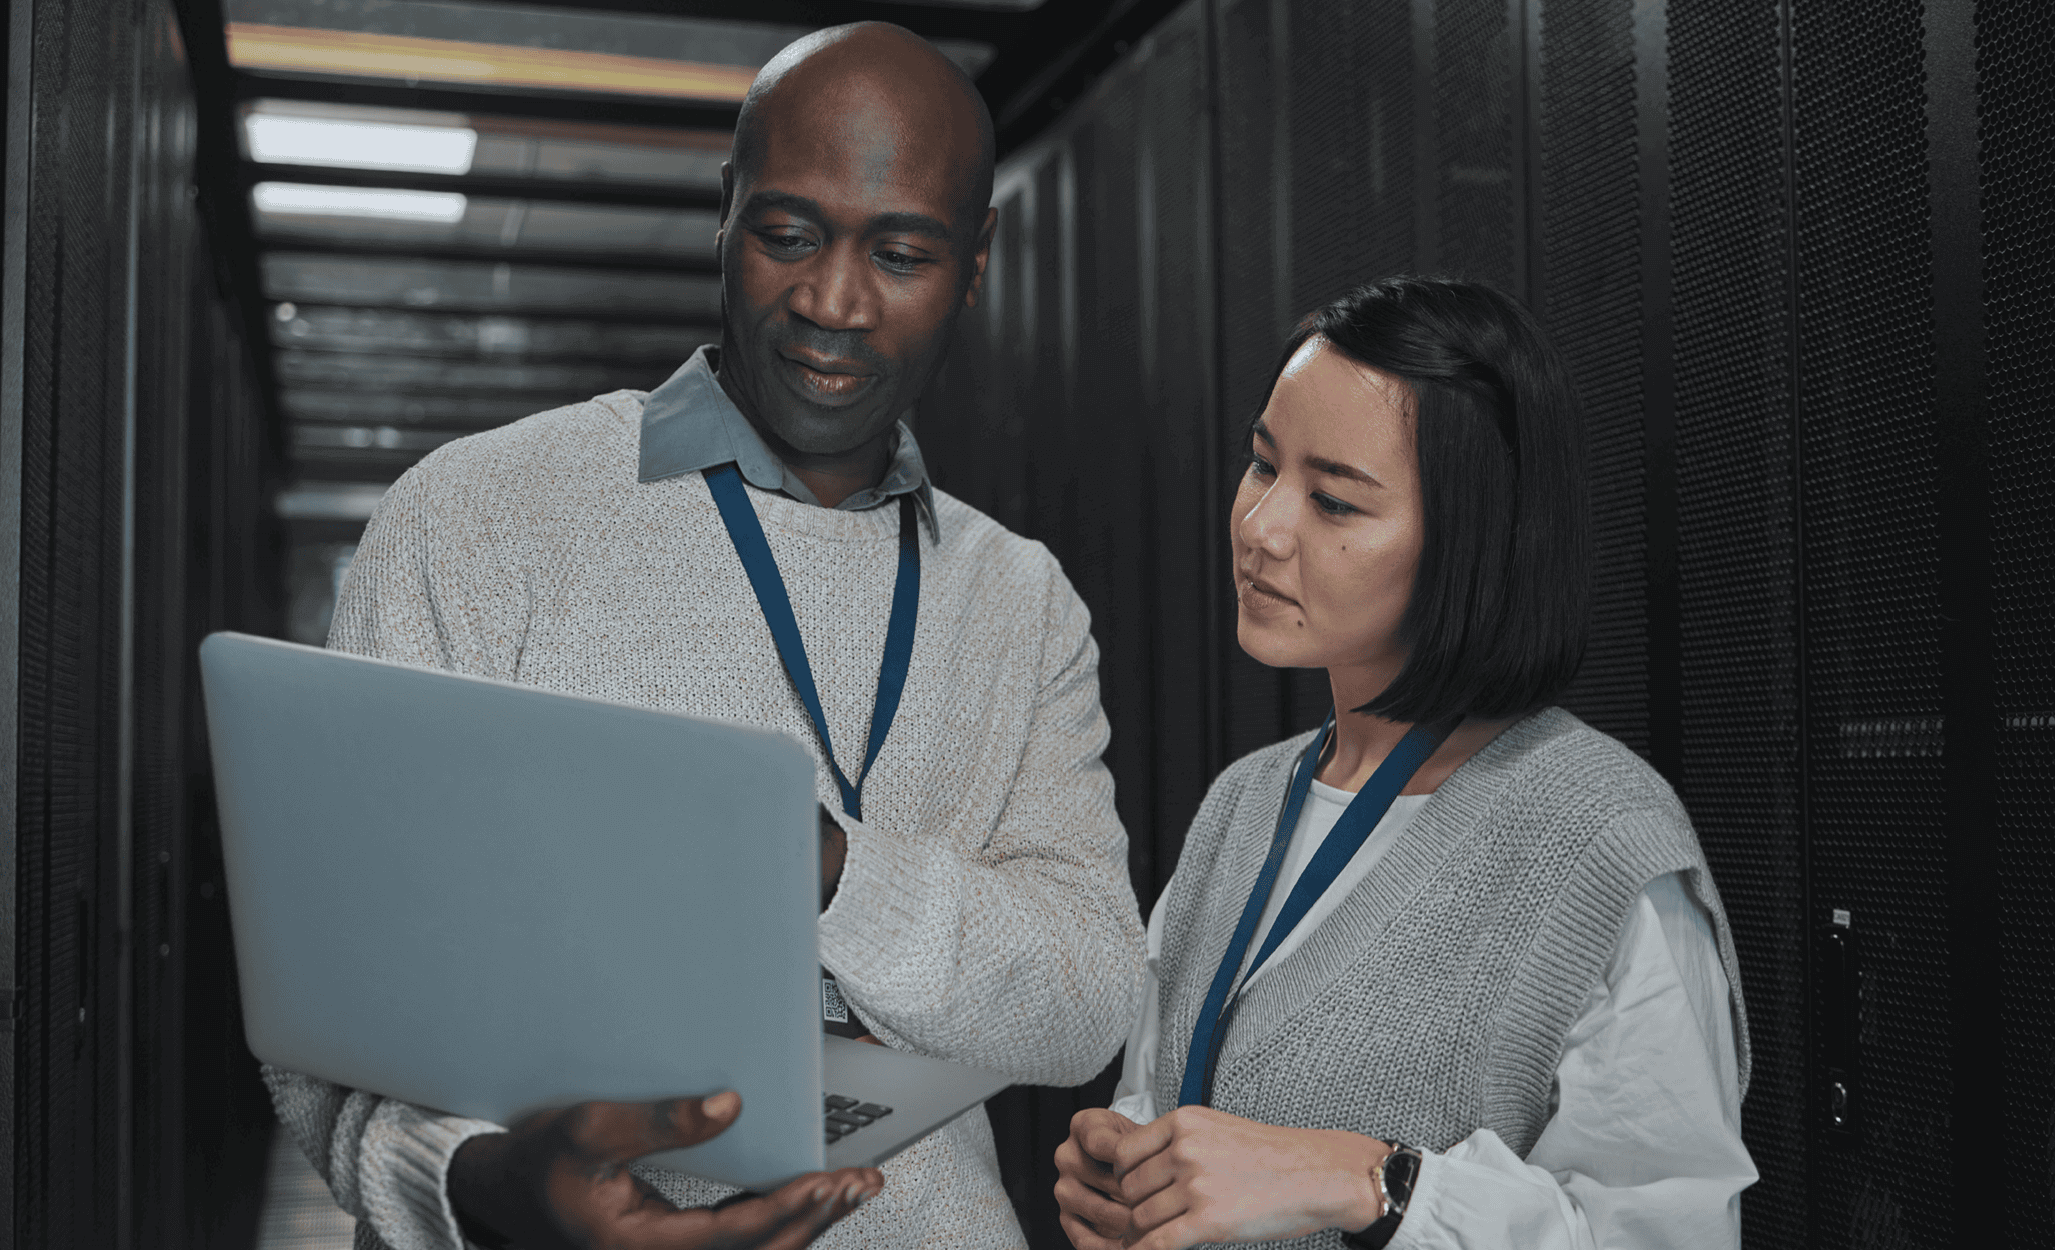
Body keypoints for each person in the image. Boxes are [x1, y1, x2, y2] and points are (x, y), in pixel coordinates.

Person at [264, 22, 1145, 1250]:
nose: (832, 301)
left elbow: (1087, 1000)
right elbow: (332, 1008)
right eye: (788, 233)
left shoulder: (1023, 600)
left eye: (900, 252)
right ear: (723, 214)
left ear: (977, 260)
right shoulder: (472, 513)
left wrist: (831, 872)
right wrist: (479, 1183)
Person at [1053, 277, 1756, 1250]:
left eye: (1334, 499)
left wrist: (1380, 1184)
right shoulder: (1242, 803)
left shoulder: (1598, 844)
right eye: (1262, 467)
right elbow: (1181, 1091)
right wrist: (1131, 1160)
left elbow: (1665, 1233)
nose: (1260, 527)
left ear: (1475, 545)